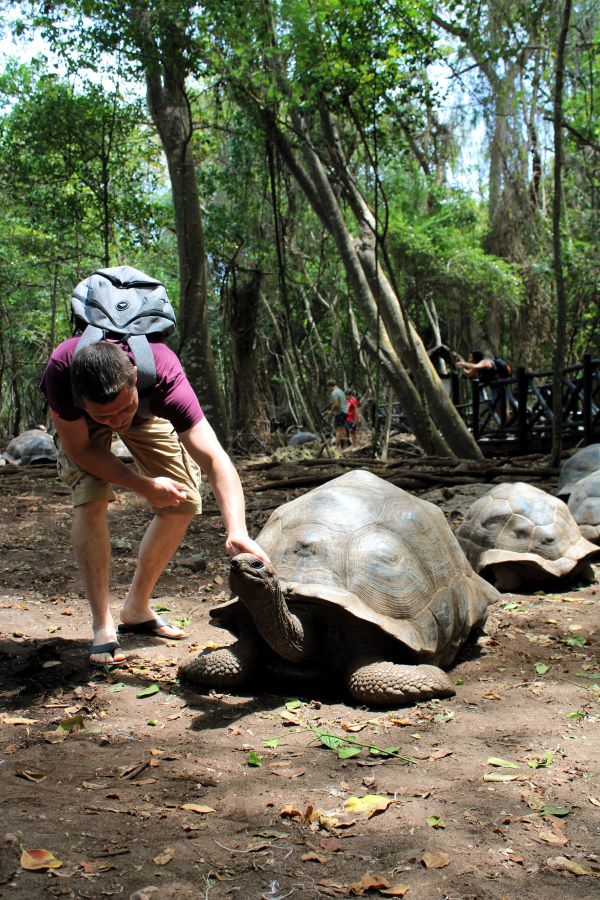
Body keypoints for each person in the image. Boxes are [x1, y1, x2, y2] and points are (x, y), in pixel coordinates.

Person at [40, 336, 270, 667]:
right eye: (107, 416)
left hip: (147, 410)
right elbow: (81, 451)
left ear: (136, 378)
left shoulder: (163, 374)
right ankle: (103, 625)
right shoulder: (61, 372)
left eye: (123, 408)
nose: (118, 421)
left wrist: (237, 529)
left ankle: (136, 608)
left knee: (182, 499)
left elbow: (216, 460)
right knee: (91, 498)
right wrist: (143, 485)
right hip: (82, 429)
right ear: (82, 400)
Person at [456, 349, 515, 421]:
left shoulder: (486, 362)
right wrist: (462, 366)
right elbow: (469, 374)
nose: (469, 359)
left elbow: (476, 366)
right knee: (497, 408)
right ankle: (507, 425)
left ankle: (509, 426)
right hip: (493, 387)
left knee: (502, 409)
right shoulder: (476, 365)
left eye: (470, 357)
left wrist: (464, 363)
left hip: (500, 387)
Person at [326, 378, 348, 448]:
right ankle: (345, 445)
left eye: (328, 388)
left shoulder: (334, 392)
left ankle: (336, 448)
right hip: (345, 412)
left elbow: (336, 405)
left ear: (330, 386)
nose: (328, 390)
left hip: (340, 412)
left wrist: (331, 412)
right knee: (343, 428)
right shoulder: (340, 391)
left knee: (337, 430)